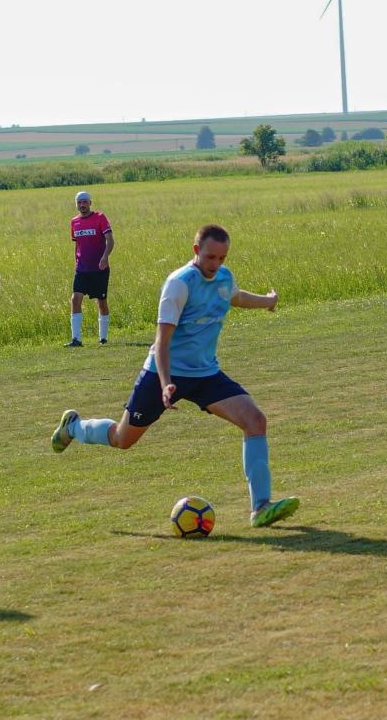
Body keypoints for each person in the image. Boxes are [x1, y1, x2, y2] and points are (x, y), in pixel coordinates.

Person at [50, 224, 300, 527]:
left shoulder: (223, 276)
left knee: (255, 421)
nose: (216, 264)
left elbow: (234, 296)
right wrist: (166, 383)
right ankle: (73, 428)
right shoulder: (179, 284)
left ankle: (261, 507)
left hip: (206, 374)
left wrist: (267, 301)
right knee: (122, 438)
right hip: (163, 372)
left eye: (222, 258)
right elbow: (162, 343)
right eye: (210, 257)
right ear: (196, 251)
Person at [67, 190, 114, 347]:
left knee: (101, 302)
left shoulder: (100, 218)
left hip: (99, 268)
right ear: (76, 204)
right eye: (79, 202)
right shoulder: (74, 222)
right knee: (75, 299)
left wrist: (105, 257)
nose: (82, 205)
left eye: (85, 202)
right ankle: (76, 339)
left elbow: (110, 240)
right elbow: (77, 244)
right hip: (82, 269)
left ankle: (103, 338)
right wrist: (76, 260)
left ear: (90, 203)